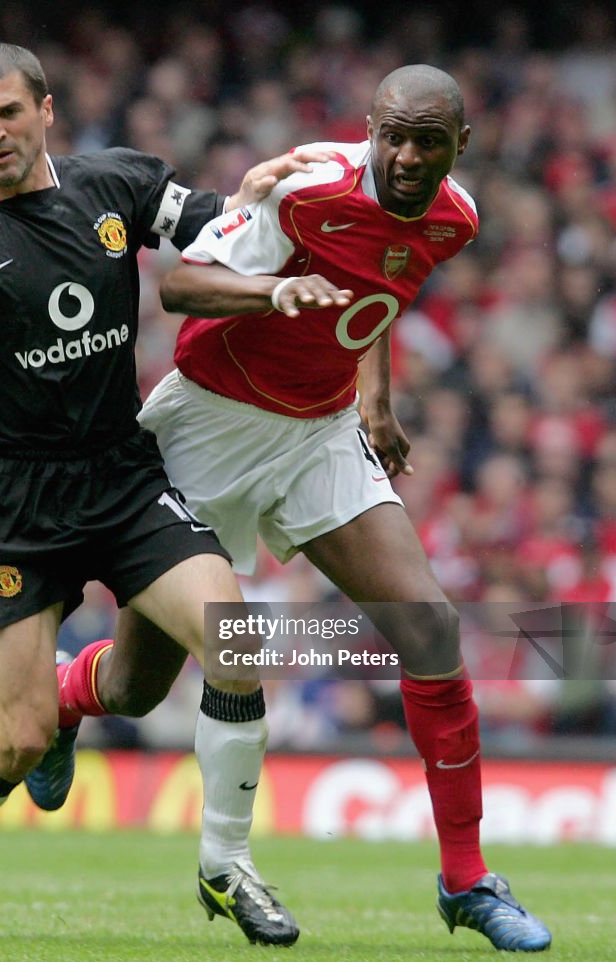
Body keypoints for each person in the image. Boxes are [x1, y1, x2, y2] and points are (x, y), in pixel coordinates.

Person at [38, 64, 552, 952]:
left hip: (319, 434)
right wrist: (275, 290)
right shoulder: (305, 188)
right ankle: (61, 700)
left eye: (428, 140)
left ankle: (466, 881)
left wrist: (374, 397)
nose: (406, 154)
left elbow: (376, 293)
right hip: (208, 428)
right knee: (138, 684)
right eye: (393, 134)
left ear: (458, 146)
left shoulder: (454, 218)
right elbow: (184, 286)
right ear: (370, 128)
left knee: (429, 629)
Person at [0, 41, 327, 944]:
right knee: (15, 739)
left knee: (235, 644)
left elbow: (213, 228)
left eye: (8, 112)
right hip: (13, 506)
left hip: (121, 477)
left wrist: (256, 196)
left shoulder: (114, 187)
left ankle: (227, 867)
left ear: (46, 109)